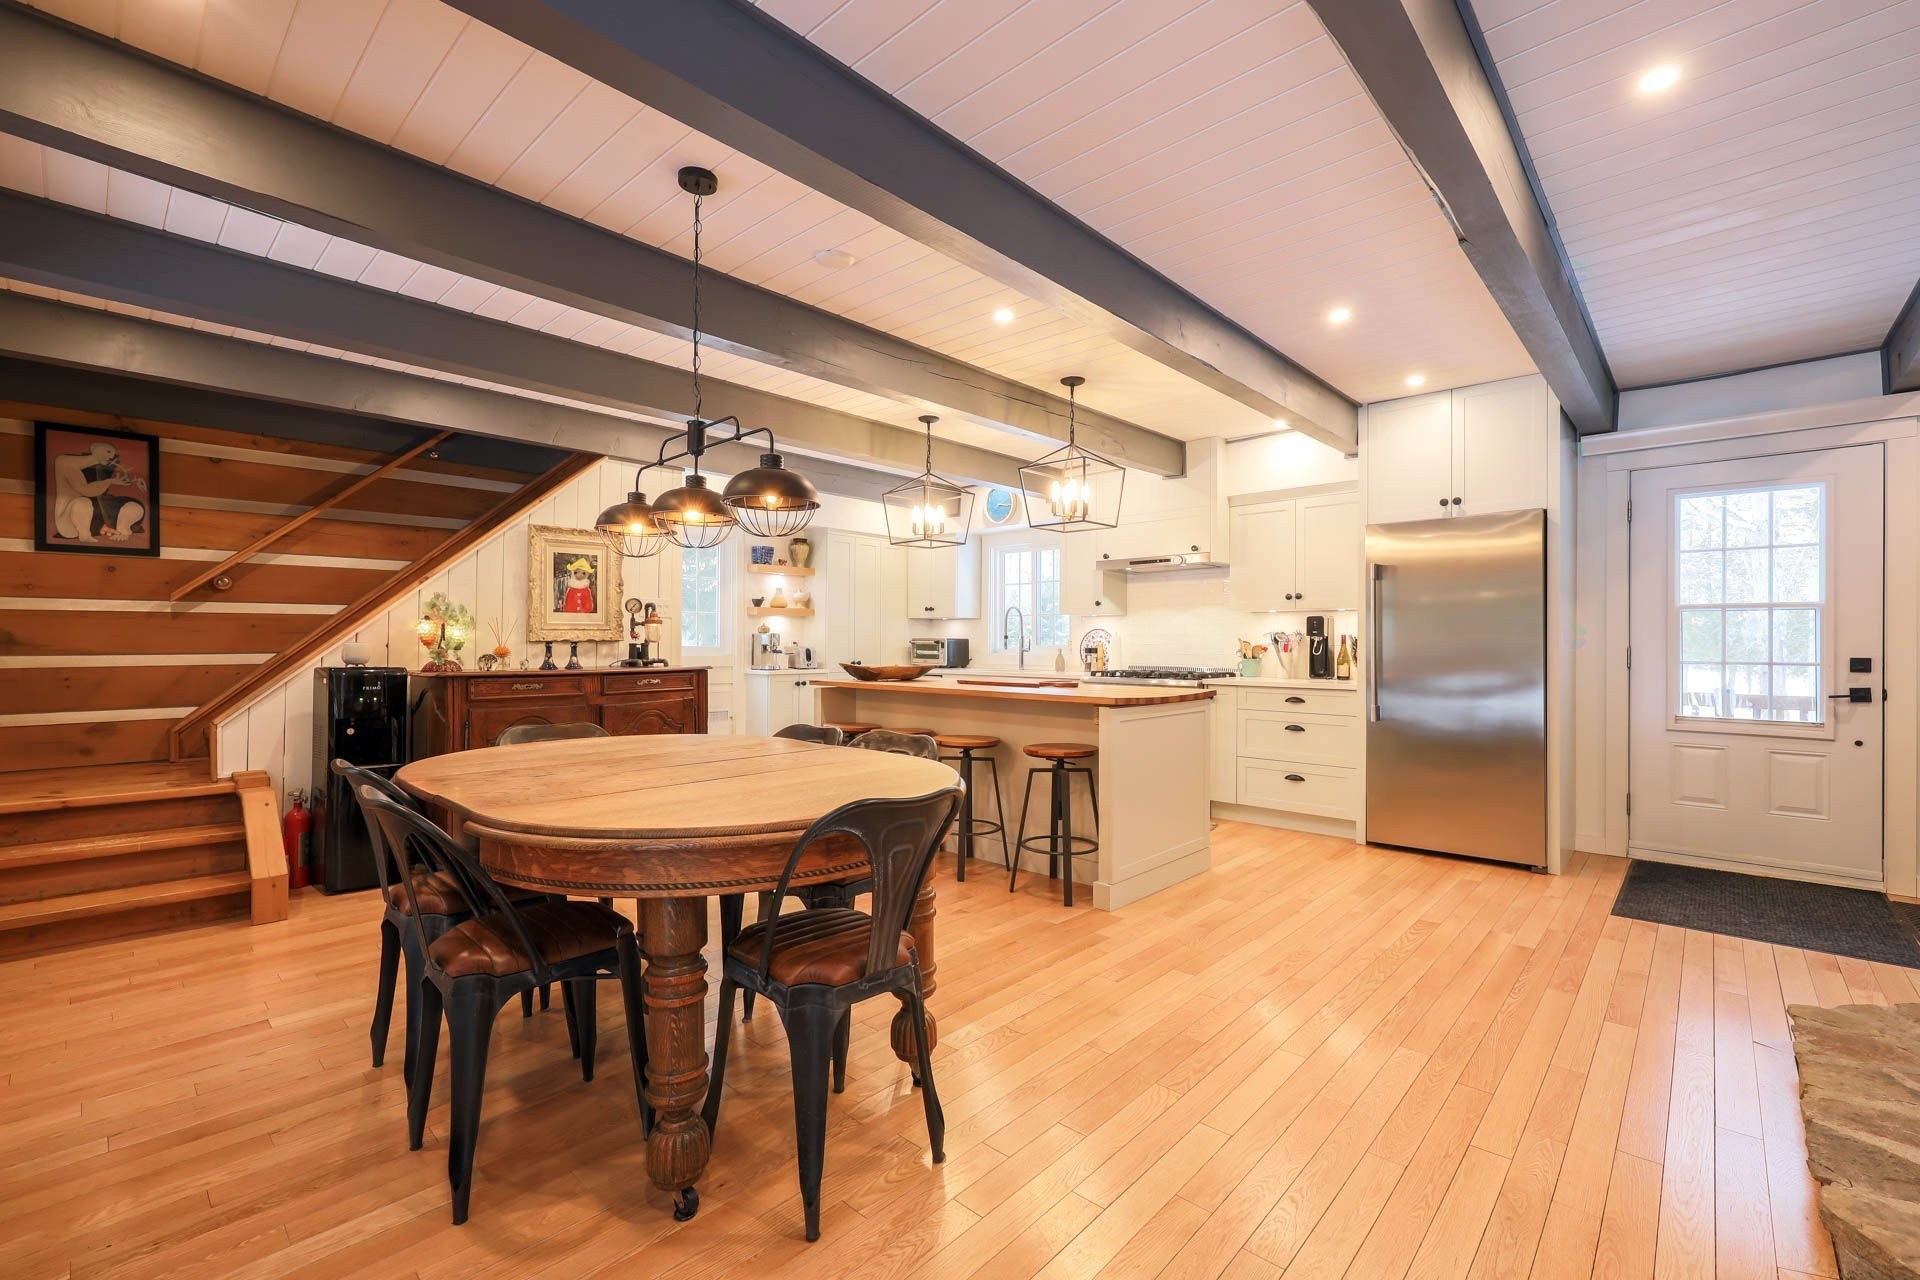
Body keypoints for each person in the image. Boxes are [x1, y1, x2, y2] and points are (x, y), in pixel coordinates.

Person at [52, 441, 148, 544]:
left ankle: (114, 527)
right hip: (68, 523)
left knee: (132, 506)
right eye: (108, 451)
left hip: (89, 518)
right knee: (82, 503)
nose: (111, 456)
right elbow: (86, 490)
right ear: (94, 449)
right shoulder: (65, 463)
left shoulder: (86, 466)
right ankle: (85, 535)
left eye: (112, 453)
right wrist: (109, 481)